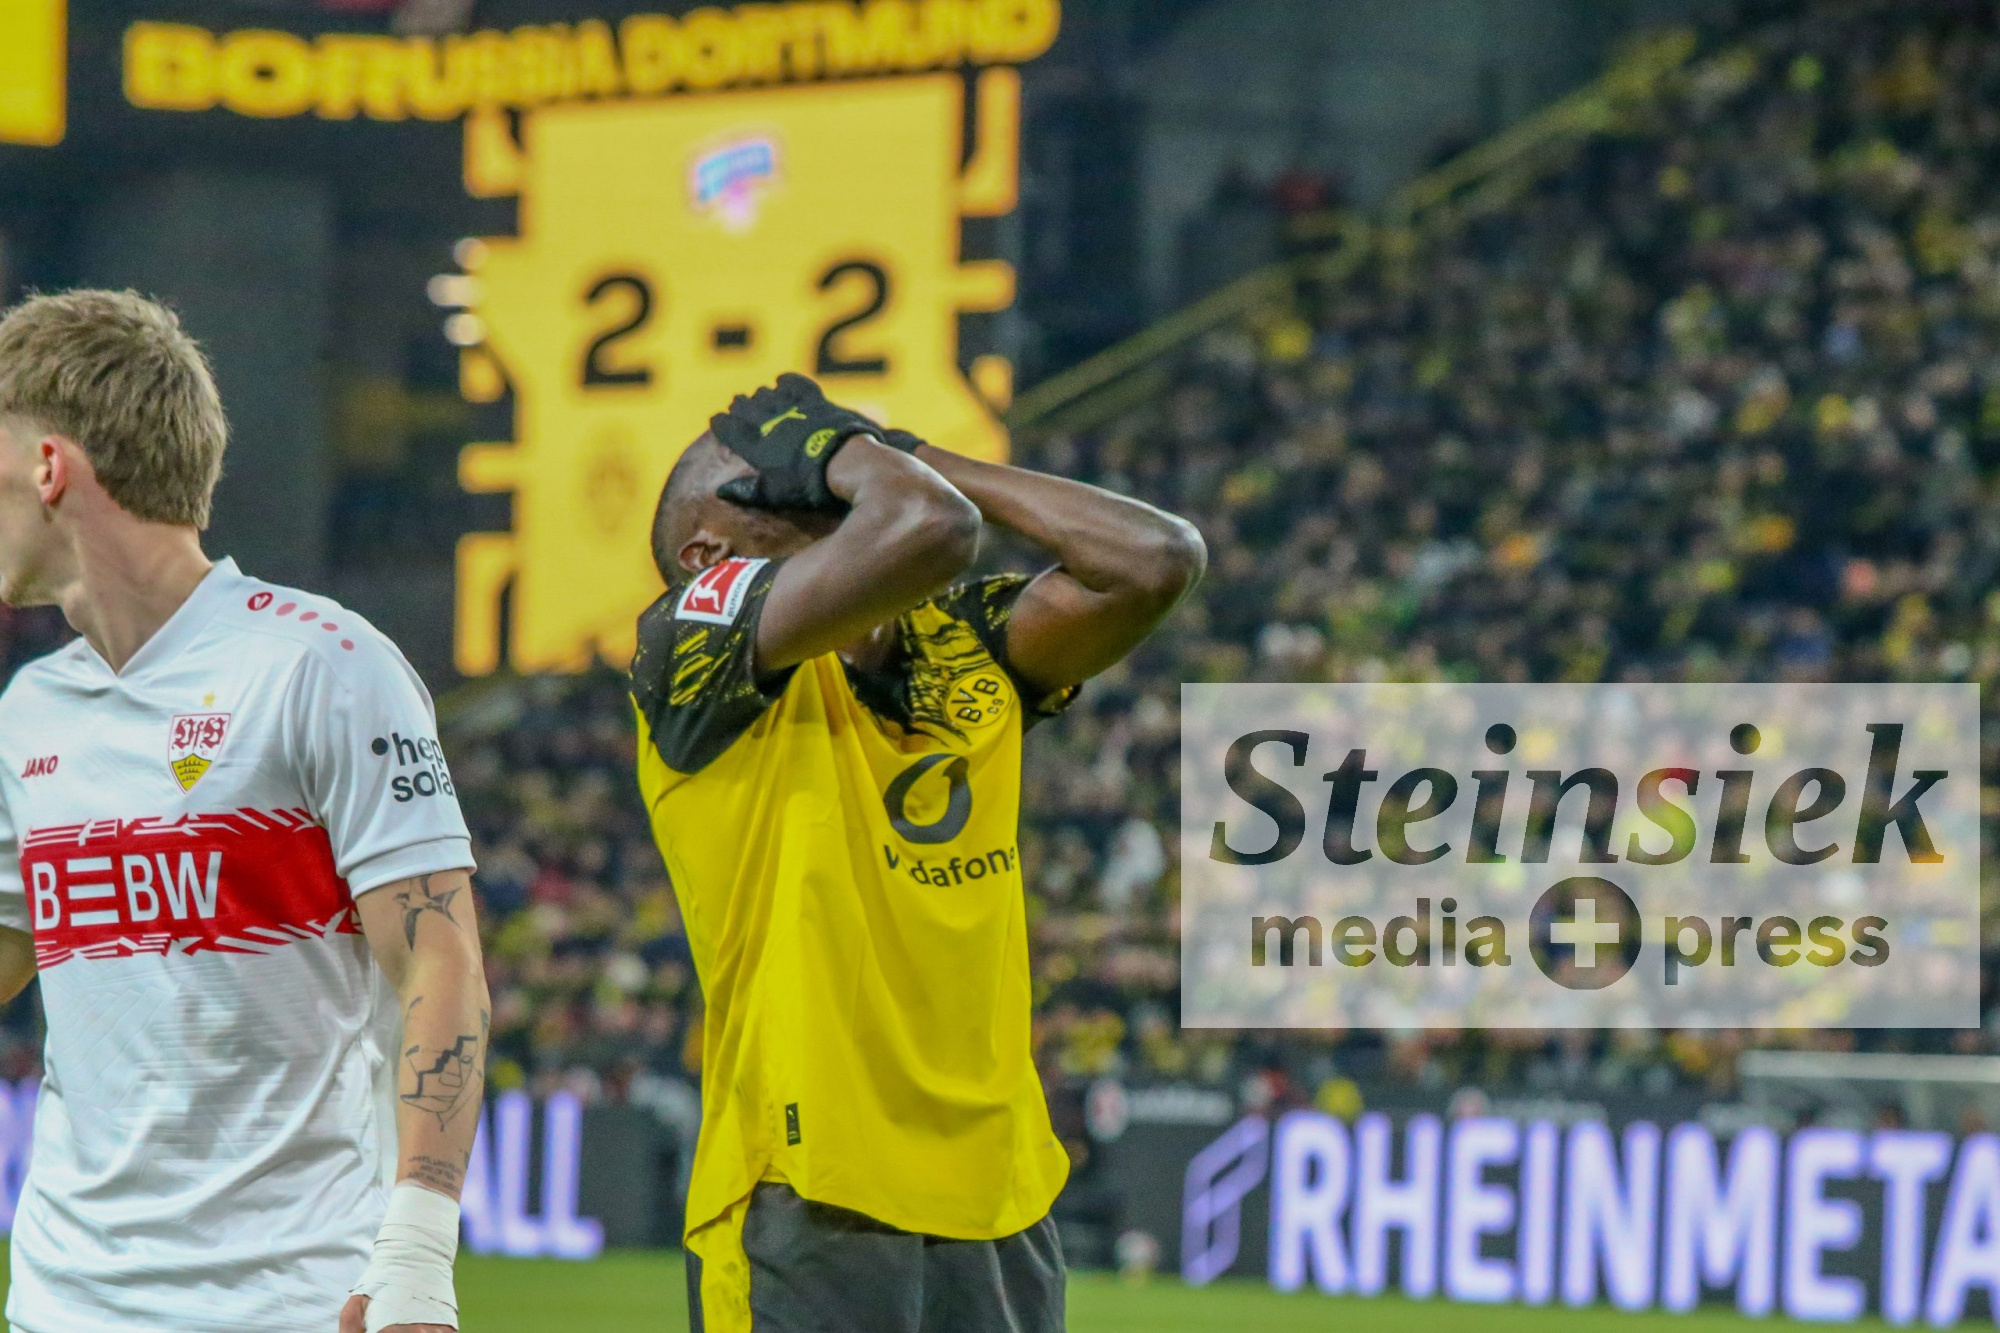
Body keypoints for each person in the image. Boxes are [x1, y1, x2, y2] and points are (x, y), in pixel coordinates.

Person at [631, 374, 1206, 1332]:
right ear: (708, 553)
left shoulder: (961, 640)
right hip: (810, 1185)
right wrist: (852, 451)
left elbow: (1156, 558)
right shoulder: (689, 637)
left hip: (999, 1193)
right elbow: (928, 526)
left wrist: (912, 451)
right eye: (777, 477)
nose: (817, 479)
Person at [0, 289, 488, 1333]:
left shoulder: (322, 664)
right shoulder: (31, 709)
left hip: (292, 1301)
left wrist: (416, 1251)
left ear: (47, 466)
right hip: (61, 1303)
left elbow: (439, 962)